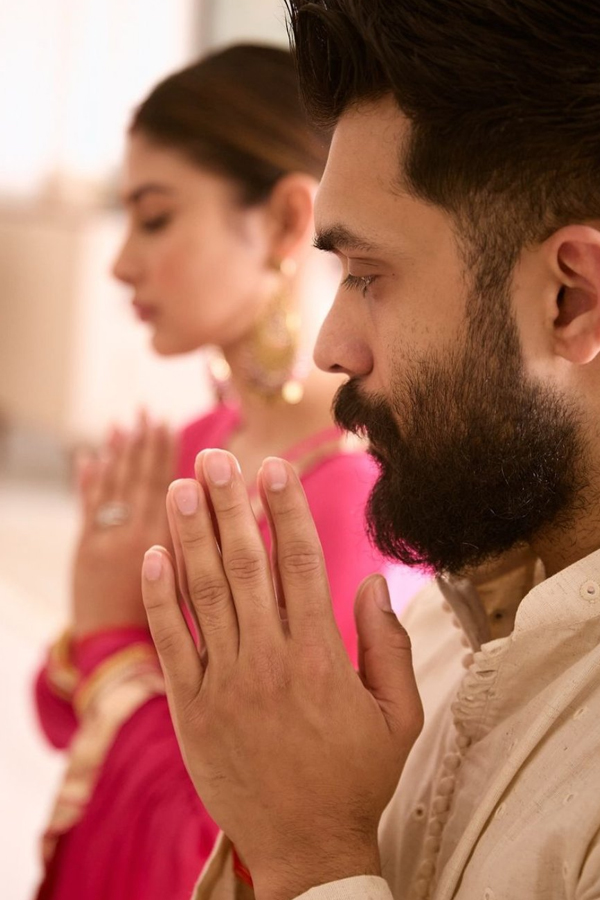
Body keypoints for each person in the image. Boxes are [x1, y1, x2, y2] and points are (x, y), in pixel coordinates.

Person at [136, 3, 600, 900]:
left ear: (570, 300)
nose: (331, 347)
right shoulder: (432, 629)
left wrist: (314, 855)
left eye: (368, 276)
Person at [33, 44, 427, 900]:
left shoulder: (345, 498)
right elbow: (60, 716)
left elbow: (254, 846)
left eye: (156, 218)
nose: (121, 262)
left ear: (286, 222)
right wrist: (99, 636)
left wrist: (107, 639)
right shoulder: (197, 446)